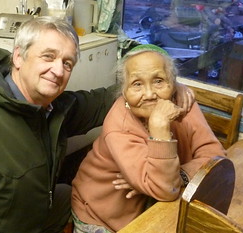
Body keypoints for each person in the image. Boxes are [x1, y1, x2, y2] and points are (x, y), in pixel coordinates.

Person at [0, 17, 194, 233]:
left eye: (67, 63)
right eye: (48, 56)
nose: (58, 70)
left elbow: (105, 100)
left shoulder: (52, 109)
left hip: (36, 217)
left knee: (66, 193)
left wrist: (168, 87)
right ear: (19, 57)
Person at [71, 44, 226, 233]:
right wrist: (159, 128)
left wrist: (178, 176)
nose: (150, 94)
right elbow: (165, 190)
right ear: (124, 91)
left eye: (159, 81)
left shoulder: (182, 102)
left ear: (173, 83)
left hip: (155, 206)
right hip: (101, 214)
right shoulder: (118, 126)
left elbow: (216, 157)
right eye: (137, 84)